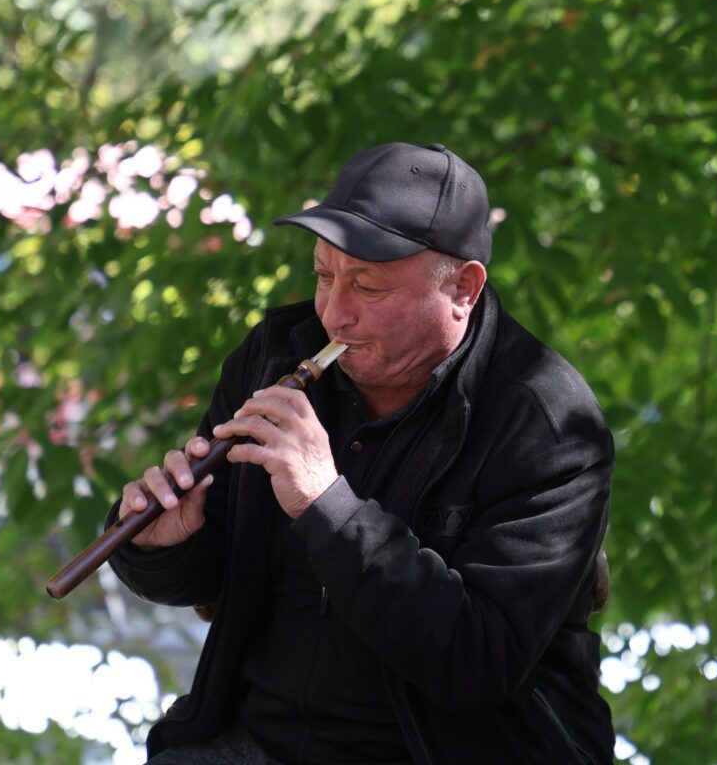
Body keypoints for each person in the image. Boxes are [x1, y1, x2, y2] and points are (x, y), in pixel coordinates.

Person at [107, 142, 616, 764]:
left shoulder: (547, 424)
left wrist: (328, 504)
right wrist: (162, 543)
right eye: (324, 274)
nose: (333, 314)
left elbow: (476, 665)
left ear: (462, 286)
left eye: (366, 286)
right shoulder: (273, 355)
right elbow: (218, 579)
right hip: (254, 742)